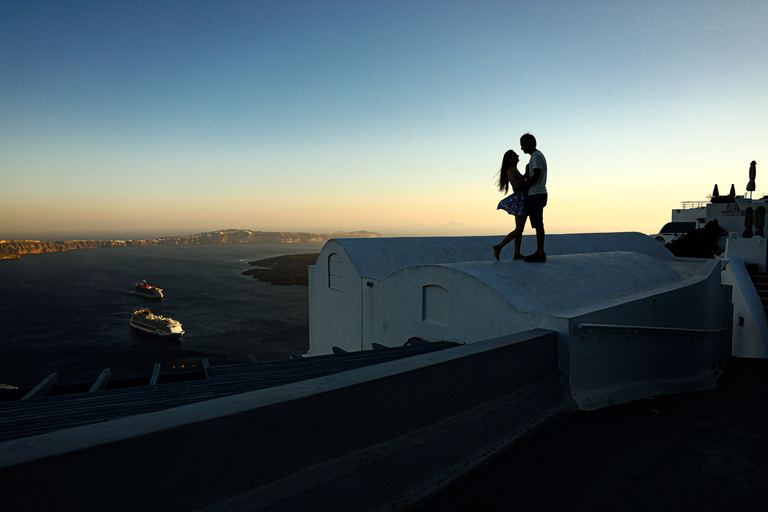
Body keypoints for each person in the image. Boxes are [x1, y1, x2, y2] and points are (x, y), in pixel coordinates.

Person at [493, 150, 528, 260]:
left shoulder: (514, 169)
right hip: (520, 200)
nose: (517, 155)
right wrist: (526, 174)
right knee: (518, 230)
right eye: (514, 155)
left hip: (523, 199)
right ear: (509, 159)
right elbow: (517, 186)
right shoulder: (510, 170)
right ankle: (499, 246)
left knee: (519, 229)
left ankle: (517, 253)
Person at [519, 133, 547, 262]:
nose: (522, 148)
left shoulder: (536, 156)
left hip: (536, 194)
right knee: (537, 223)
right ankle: (539, 251)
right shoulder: (535, 157)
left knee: (538, 224)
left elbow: (536, 176)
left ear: (531, 143)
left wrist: (523, 185)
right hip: (537, 194)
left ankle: (540, 253)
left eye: (523, 144)